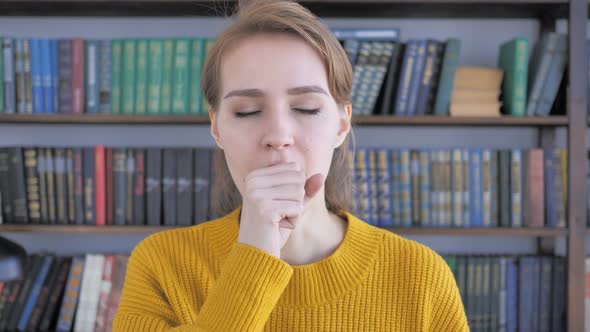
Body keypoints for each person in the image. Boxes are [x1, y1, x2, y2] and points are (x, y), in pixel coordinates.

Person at [113, 1, 469, 330]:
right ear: (217, 127)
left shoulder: (421, 275)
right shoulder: (161, 264)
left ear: (341, 125)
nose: (278, 136)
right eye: (247, 111)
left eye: (306, 108)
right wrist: (254, 254)